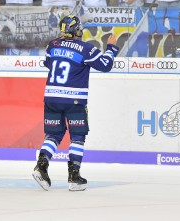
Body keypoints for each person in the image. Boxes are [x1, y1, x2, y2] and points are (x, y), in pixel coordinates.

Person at [33, 15, 120, 192]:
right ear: (74, 30)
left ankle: (41, 167)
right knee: (78, 136)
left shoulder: (52, 45)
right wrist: (112, 48)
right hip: (74, 99)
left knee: (54, 135)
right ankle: (74, 177)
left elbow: (49, 64)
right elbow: (105, 65)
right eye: (79, 28)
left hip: (51, 97)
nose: (80, 31)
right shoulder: (86, 48)